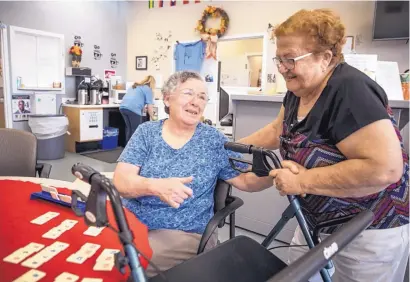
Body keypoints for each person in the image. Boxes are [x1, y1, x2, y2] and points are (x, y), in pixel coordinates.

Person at [239, 9, 409, 282]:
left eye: (290, 59)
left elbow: (385, 169)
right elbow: (276, 130)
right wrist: (228, 146)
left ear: (325, 58)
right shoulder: (298, 90)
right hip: (317, 220)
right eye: (279, 59)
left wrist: (303, 181)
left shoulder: (349, 90)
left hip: (369, 227)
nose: (281, 68)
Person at [113, 71, 273, 277]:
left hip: (183, 232)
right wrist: (155, 186)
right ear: (167, 98)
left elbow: (245, 181)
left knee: (121, 262)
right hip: (131, 222)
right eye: (188, 93)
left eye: (202, 97)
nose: (196, 102)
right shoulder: (146, 132)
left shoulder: (213, 140)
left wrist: (275, 174)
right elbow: (121, 180)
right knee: (88, 248)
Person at [119, 75, 156, 143]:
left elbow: (136, 99)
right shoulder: (148, 89)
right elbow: (150, 107)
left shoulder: (135, 86)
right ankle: (134, 150)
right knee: (136, 131)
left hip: (122, 107)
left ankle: (128, 149)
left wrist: (142, 109)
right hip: (133, 108)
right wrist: (154, 118)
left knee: (129, 129)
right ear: (152, 84)